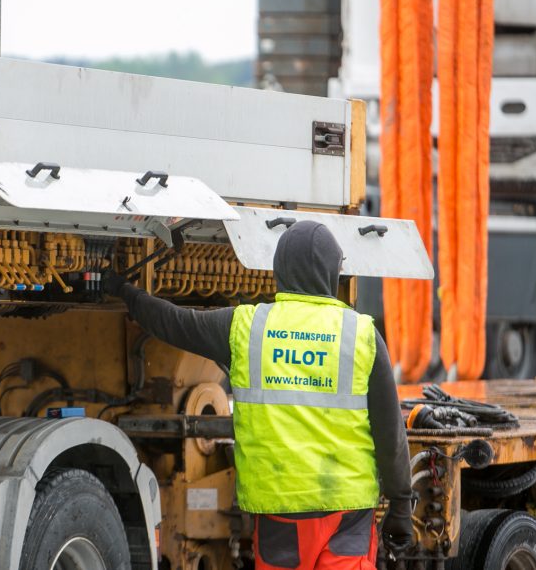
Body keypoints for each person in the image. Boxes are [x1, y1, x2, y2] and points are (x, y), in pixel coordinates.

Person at [103, 220, 414, 569]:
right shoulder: (362, 336)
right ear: (333, 272)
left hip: (279, 515)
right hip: (347, 514)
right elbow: (390, 433)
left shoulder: (246, 328)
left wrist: (126, 291)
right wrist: (401, 504)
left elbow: (174, 322)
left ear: (279, 270)